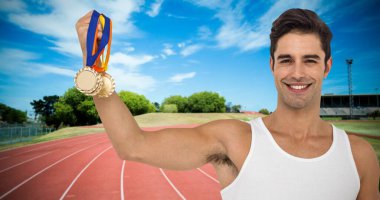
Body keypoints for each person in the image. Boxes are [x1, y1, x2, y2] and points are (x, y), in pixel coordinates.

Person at [75, 8, 379, 199]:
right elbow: (133, 145)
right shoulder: (234, 140)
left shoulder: (359, 155)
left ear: (326, 67)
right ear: (272, 65)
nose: (297, 73)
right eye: (286, 60)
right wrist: (96, 68)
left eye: (310, 60)